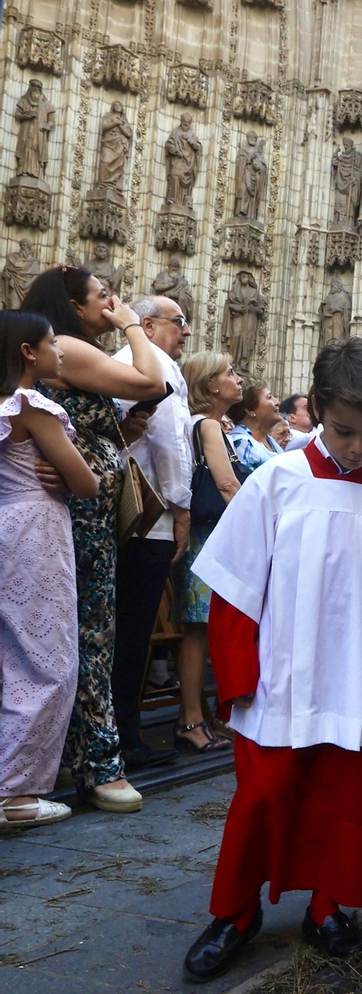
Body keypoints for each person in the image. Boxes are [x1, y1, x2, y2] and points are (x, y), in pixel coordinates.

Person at [181, 339, 362, 982]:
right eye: (344, 430)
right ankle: (236, 911)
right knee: (262, 795)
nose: (359, 447)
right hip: (278, 679)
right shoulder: (276, 482)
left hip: (358, 680)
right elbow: (235, 588)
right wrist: (237, 676)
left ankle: (330, 905)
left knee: (347, 798)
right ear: (321, 407)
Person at [23, 266, 165, 811]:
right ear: (74, 307)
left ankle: (60, 756)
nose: (113, 302)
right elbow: (154, 382)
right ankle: (98, 764)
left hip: (84, 512)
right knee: (89, 632)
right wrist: (134, 327)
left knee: (75, 632)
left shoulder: (62, 352)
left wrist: (112, 436)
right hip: (75, 516)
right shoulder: (67, 348)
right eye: (103, 296)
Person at [0, 312, 101, 831]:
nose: (61, 351)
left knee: (9, 653)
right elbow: (87, 483)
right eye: (51, 343)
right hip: (35, 529)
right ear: (27, 352)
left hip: (5, 522)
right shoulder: (33, 406)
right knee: (46, 658)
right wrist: (68, 470)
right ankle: (15, 793)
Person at [111, 296, 193, 769]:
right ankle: (126, 737)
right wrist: (180, 509)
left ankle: (119, 732)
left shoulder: (122, 361)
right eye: (179, 323)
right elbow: (168, 442)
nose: (185, 332)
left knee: (123, 627)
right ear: (147, 324)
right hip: (150, 515)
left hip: (127, 513)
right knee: (135, 630)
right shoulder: (153, 363)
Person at [172, 352, 251, 755]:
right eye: (229, 373)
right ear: (209, 387)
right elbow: (227, 485)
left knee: (201, 629)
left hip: (205, 537)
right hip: (208, 539)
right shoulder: (206, 425)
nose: (238, 379)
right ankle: (191, 720)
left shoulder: (205, 424)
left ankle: (204, 713)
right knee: (199, 631)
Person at [228, 384, 284, 459]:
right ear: (250, 410)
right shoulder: (243, 444)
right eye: (269, 397)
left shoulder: (267, 439)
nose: (277, 402)